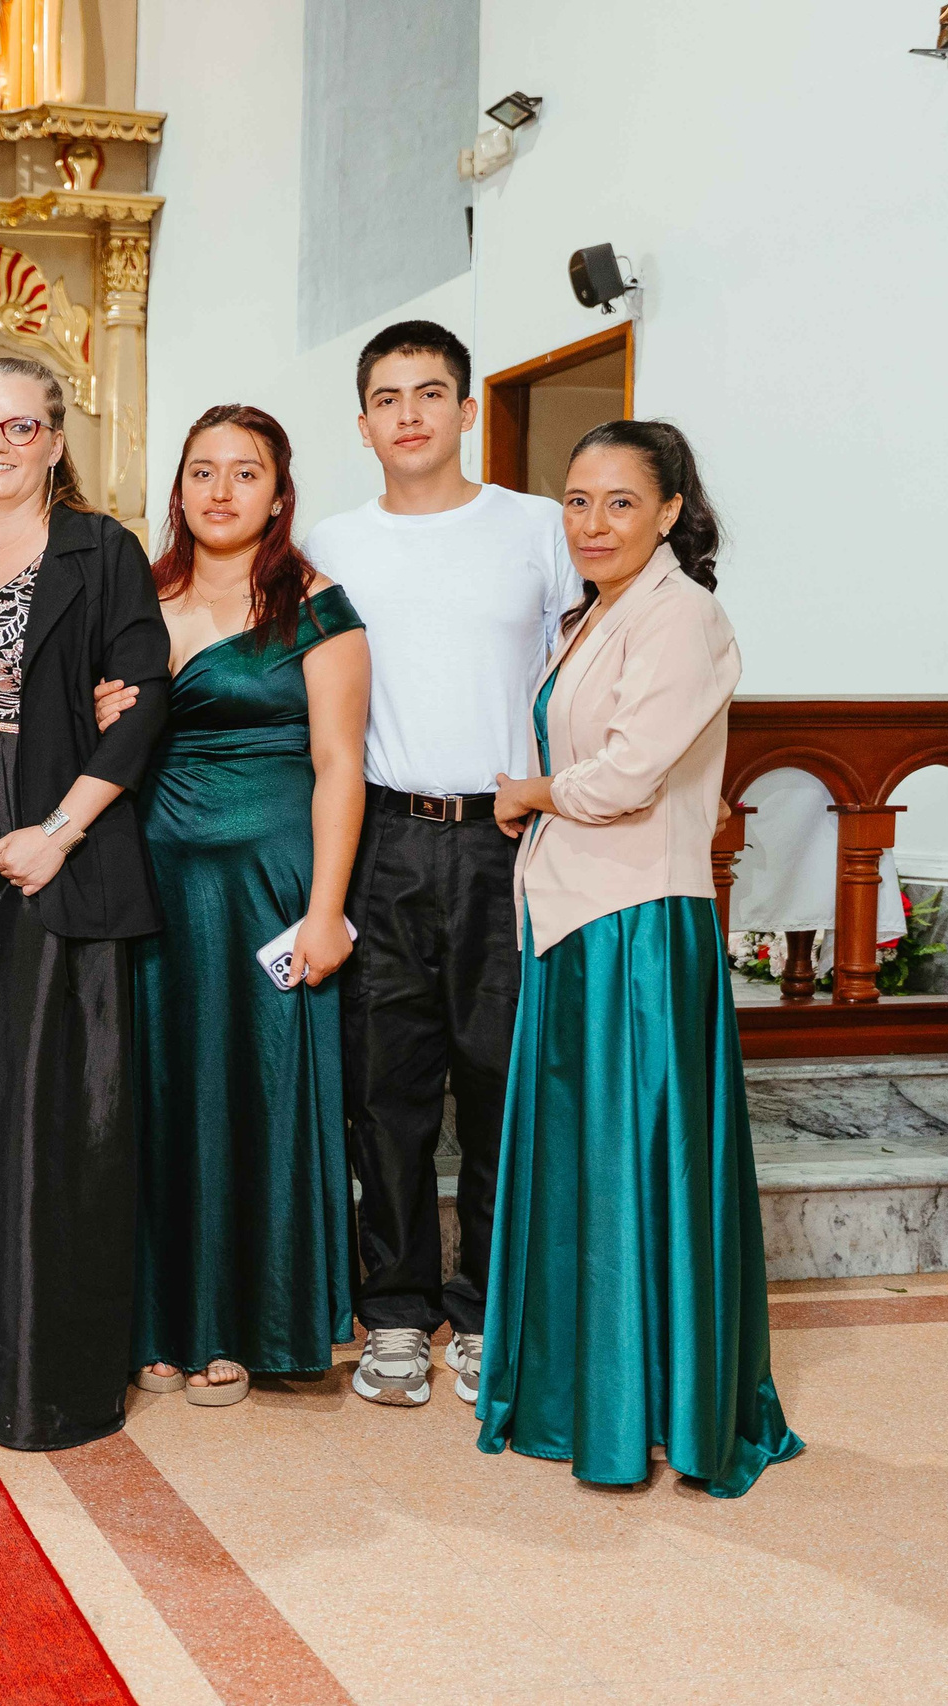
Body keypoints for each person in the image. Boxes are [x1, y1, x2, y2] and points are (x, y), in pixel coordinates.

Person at [482, 420, 802, 1497]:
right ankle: (590, 1390)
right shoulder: (598, 614)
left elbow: (623, 777)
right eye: (575, 500)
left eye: (619, 501)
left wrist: (525, 793)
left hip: (634, 929)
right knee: (590, 1168)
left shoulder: (682, 615)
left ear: (670, 509)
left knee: (633, 1168)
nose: (593, 522)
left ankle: (646, 1408)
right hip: (578, 914)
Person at [0, 355, 170, 1452]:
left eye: (19, 426)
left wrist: (61, 830)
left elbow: (143, 703)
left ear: (56, 439)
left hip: (48, 828)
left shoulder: (102, 551)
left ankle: (38, 1370)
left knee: (41, 1093)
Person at [302, 321, 583, 1408]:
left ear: (467, 411)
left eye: (430, 392)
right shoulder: (332, 540)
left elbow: (587, 663)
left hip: (508, 838)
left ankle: (489, 1310)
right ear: (363, 421)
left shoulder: (535, 528)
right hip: (379, 839)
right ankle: (398, 1312)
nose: (408, 412)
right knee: (387, 1091)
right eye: (387, 396)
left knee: (501, 1081)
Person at [96, 406, 368, 1405]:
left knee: (258, 1088)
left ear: (278, 492)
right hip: (157, 874)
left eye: (244, 472)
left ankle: (247, 1320)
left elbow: (340, 765)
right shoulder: (138, 600)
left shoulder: (318, 605)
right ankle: (159, 1319)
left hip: (271, 881)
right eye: (202, 471)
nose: (220, 490)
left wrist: (328, 908)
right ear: (177, 490)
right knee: (162, 1092)